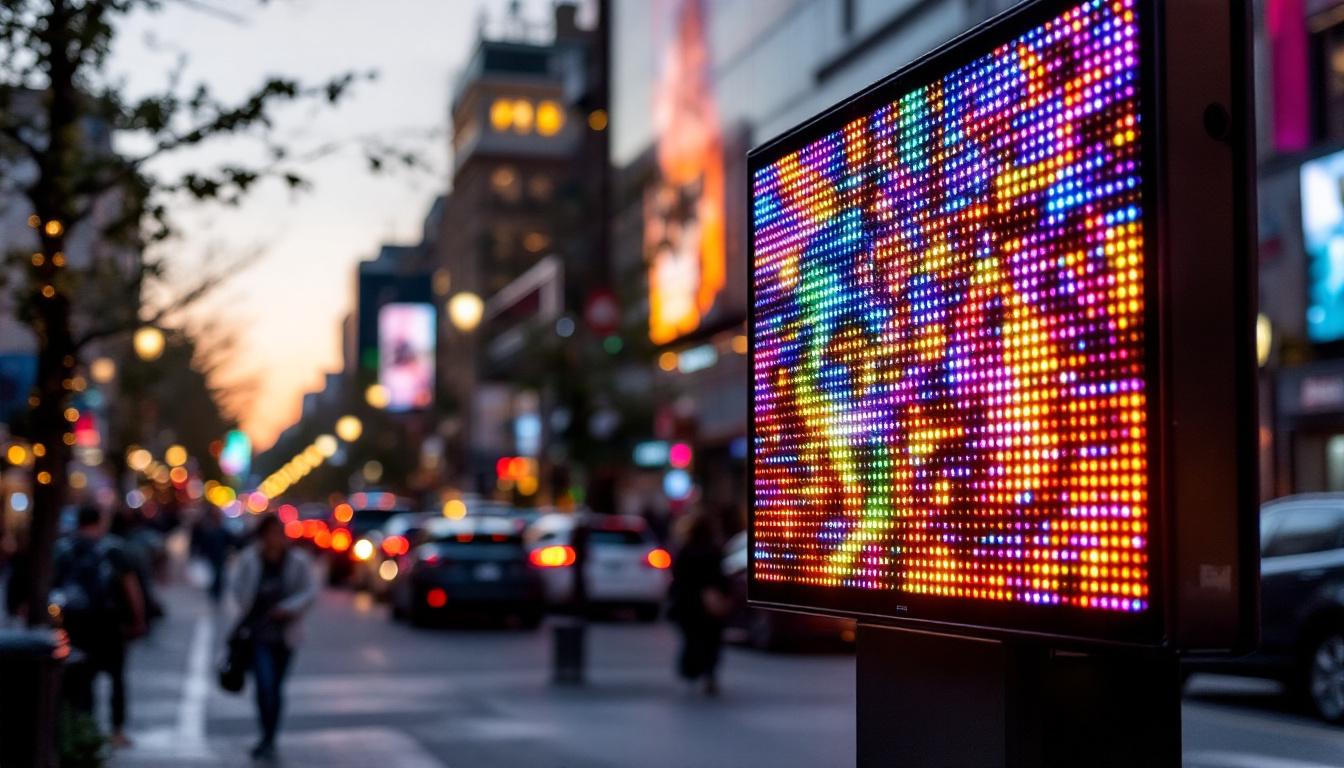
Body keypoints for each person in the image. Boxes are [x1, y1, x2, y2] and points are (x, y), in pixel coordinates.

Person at [53, 505, 147, 748]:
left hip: (76, 624)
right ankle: (116, 732)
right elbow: (130, 586)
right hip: (110, 624)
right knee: (117, 678)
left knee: (81, 678)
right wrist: (138, 619)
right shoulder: (113, 549)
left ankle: (84, 728)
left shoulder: (64, 548)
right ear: (100, 520)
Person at [228, 514, 316, 762]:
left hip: (285, 634)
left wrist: (288, 608)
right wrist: (249, 607)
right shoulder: (250, 559)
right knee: (264, 685)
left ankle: (270, 736)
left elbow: (309, 591)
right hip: (257, 633)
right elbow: (238, 588)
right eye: (271, 533)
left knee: (276, 688)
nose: (276, 538)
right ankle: (266, 736)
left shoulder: (297, 561)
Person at [668, 508, 729, 696]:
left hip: (689, 605)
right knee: (711, 642)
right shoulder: (715, 551)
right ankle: (708, 674)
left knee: (693, 639)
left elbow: (677, 578)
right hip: (708, 607)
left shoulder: (686, 551)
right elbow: (721, 577)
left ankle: (693, 670)